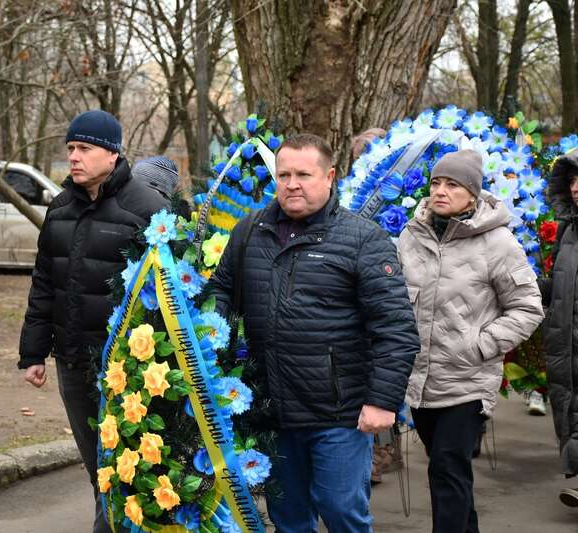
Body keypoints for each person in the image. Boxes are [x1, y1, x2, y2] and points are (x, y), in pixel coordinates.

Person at [209, 133, 420, 532]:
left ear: (329, 177)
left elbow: (396, 328)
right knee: (289, 519)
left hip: (337, 414)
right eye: (284, 174)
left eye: (303, 174)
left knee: (341, 511)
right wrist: (212, 332)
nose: (292, 183)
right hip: (271, 410)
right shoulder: (250, 231)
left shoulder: (362, 239)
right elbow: (223, 287)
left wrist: (382, 402)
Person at [18, 110, 168, 532]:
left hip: (130, 370)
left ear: (112, 153)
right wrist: (33, 352)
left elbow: (171, 297)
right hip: (72, 360)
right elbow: (45, 282)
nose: (74, 158)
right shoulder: (61, 208)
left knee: (126, 467)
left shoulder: (149, 209)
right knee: (95, 466)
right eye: (70, 149)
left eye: (84, 148)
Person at [398, 149, 544, 532]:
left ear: (473, 194)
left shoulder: (498, 243)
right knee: (449, 472)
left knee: (447, 468)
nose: (440, 191)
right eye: (436, 182)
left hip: (468, 381)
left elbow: (528, 308)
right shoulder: (411, 236)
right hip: (421, 379)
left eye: (452, 184)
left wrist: (479, 346)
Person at [351, 126, 403, 485]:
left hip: (391, 293)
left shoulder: (403, 189)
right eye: (359, 154)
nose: (363, 158)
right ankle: (370, 456)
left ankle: (382, 455)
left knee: (385, 382)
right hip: (357, 302)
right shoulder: (352, 193)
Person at [541, 149, 578, 507]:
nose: (577, 187)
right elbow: (562, 283)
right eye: (572, 179)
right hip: (568, 343)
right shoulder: (569, 229)